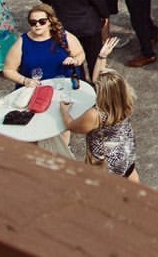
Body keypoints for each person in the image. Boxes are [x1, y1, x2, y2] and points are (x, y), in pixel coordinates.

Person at [60, 47, 140, 181]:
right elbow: (98, 80)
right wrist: (101, 57)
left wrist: (63, 109)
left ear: (102, 92)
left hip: (105, 162)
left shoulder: (95, 115)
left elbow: (71, 125)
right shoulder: (126, 100)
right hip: (125, 152)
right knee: (133, 184)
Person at [2, 4, 86, 87]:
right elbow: (8, 70)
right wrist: (24, 80)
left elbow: (80, 54)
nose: (37, 25)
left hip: (64, 86)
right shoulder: (23, 42)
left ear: (50, 21)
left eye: (42, 21)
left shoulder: (63, 36)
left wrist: (75, 61)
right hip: (36, 88)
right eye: (33, 22)